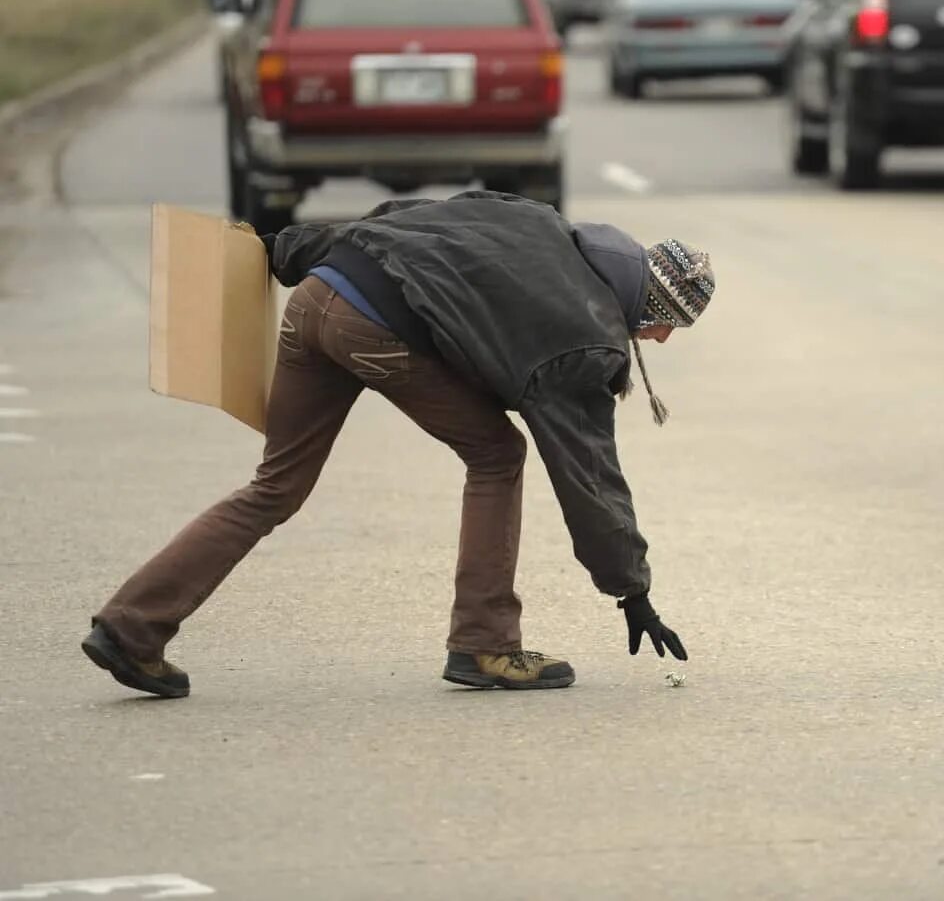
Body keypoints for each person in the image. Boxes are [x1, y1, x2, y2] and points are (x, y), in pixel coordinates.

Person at [82, 191, 714, 699]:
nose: (659, 341)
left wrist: (284, 252)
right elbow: (589, 475)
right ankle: (484, 642)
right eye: (669, 325)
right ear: (653, 300)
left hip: (315, 299)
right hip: (373, 328)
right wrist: (632, 590)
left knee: (274, 487)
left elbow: (400, 224)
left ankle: (131, 626)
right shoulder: (587, 338)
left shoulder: (534, 221)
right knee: (499, 455)